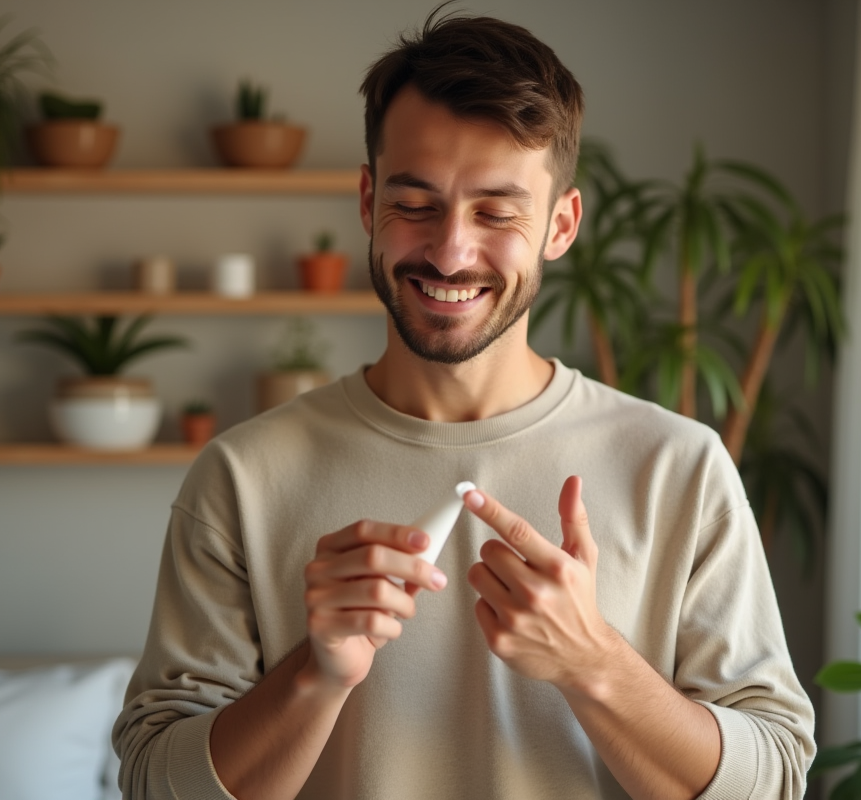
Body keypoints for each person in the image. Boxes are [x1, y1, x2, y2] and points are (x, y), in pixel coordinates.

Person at [113, 8, 815, 800]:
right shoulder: (240, 477)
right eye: (416, 203)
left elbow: (775, 780)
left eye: (496, 211)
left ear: (560, 225)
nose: (450, 250)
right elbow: (153, 786)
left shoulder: (680, 467)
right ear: (367, 200)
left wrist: (595, 664)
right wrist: (317, 675)